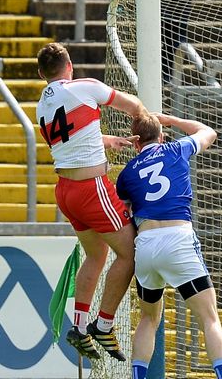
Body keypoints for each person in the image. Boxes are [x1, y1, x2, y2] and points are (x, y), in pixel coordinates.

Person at [36, 42, 147, 361]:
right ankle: (104, 323)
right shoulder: (85, 86)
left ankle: (80, 327)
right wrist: (150, 130)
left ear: (42, 74)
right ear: (69, 65)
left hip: (65, 192)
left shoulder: (41, 106)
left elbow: (70, 139)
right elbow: (133, 105)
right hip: (91, 189)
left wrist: (104, 140)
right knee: (131, 254)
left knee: (96, 255)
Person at [115, 112, 222, 379]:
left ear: (135, 143)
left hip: (145, 245)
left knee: (148, 319)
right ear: (162, 136)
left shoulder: (126, 174)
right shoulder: (176, 149)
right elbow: (209, 131)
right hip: (177, 238)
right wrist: (171, 119)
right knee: (209, 318)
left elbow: (124, 210)